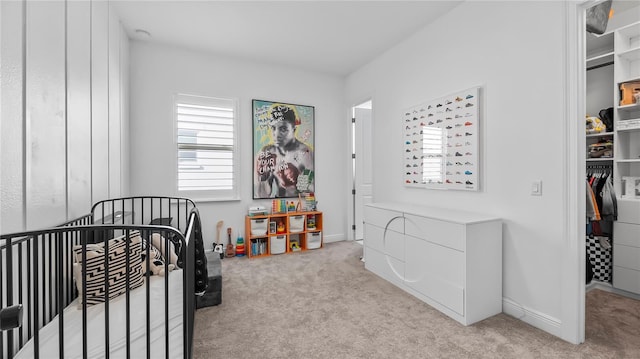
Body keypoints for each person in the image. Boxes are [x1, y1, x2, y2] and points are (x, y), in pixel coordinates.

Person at [255, 104, 314, 198]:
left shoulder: (305, 152)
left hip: (298, 204)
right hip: (278, 205)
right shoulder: (268, 152)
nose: (276, 134)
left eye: (283, 129)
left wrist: (296, 181)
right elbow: (262, 196)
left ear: (294, 129)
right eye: (273, 128)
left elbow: (311, 191)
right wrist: (262, 178)